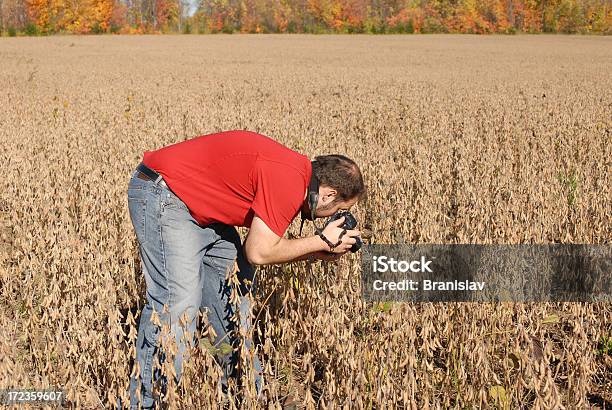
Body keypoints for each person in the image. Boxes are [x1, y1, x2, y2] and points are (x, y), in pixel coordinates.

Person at [120, 129, 365, 409]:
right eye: (338, 210)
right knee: (177, 303)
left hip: (206, 211)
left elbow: (267, 249)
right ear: (328, 193)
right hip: (165, 193)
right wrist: (320, 240)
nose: (333, 217)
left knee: (232, 300)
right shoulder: (288, 181)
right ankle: (144, 402)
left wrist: (320, 250)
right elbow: (259, 252)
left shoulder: (294, 173)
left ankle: (247, 390)